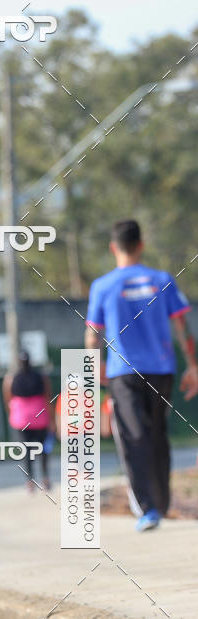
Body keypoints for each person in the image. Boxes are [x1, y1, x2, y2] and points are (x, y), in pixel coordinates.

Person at [85, 219, 198, 531]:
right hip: (162, 370)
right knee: (157, 434)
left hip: (124, 373)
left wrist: (95, 368)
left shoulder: (103, 286)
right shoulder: (162, 280)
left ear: (113, 247)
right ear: (141, 244)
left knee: (135, 437)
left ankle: (150, 508)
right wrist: (193, 365)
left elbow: (93, 335)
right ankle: (159, 503)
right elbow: (182, 326)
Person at [2, 350, 54, 491]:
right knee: (43, 449)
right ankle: (46, 479)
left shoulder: (10, 378)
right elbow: (48, 398)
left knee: (26, 451)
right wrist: (52, 420)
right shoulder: (41, 377)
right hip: (40, 418)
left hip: (22, 419)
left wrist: (13, 415)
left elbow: (8, 399)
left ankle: (30, 481)